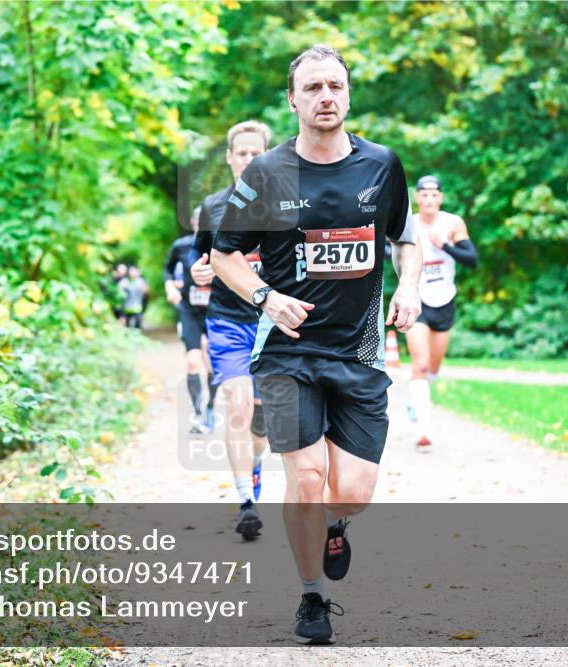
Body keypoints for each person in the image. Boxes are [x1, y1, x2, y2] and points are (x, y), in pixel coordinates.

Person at [209, 45, 421, 645]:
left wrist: (408, 286)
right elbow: (224, 255)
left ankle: (335, 524)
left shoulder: (382, 165)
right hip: (287, 352)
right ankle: (312, 598)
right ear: (293, 99)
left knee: (351, 493)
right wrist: (265, 299)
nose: (325, 96)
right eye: (313, 88)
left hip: (358, 352)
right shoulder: (267, 174)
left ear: (348, 95)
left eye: (335, 86)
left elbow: (407, 239)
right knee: (303, 477)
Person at [189, 120, 272, 539]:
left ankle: (255, 466)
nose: (249, 160)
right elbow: (197, 258)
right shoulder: (213, 206)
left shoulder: (287, 205)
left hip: (275, 327)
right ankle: (246, 503)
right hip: (228, 323)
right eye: (242, 153)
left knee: (262, 424)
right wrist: (199, 271)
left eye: (257, 153)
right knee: (237, 407)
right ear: (229, 157)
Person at [405, 174, 477, 449]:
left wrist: (443, 245)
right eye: (424, 194)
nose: (429, 199)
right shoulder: (409, 223)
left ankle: (417, 401)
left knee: (433, 368)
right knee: (420, 364)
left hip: (444, 300)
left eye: (434, 195)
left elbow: (472, 260)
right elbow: (388, 250)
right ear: (417, 197)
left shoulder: (452, 223)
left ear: (441, 198)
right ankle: (423, 429)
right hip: (417, 300)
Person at [164, 206, 216, 433]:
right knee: (193, 361)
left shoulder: (222, 246)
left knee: (213, 364)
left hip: (215, 310)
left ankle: (210, 409)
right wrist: (170, 287)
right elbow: (167, 270)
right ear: (193, 224)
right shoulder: (181, 246)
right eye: (198, 224)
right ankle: (198, 413)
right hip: (189, 310)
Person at [118, 265, 148, 330]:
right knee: (127, 327)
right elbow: (119, 291)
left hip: (138, 307)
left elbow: (146, 293)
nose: (132, 273)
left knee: (138, 326)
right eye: (131, 271)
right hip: (127, 308)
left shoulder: (141, 281)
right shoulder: (125, 281)